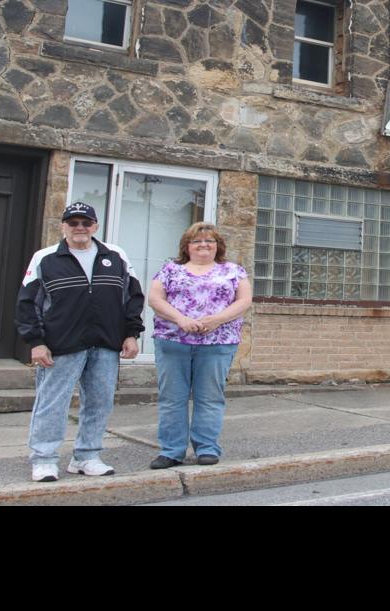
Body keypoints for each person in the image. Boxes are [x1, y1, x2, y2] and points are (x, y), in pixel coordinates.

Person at [17, 203, 143, 483]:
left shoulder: (115, 255)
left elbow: (132, 297)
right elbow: (27, 304)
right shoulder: (45, 258)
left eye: (85, 223)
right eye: (73, 223)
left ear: (95, 226)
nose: (79, 228)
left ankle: (87, 456)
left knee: (99, 402)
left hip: (106, 343)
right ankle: (44, 459)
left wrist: (131, 333)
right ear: (63, 226)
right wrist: (36, 342)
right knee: (52, 402)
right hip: (61, 344)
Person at [145, 222, 252, 468]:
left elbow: (244, 300)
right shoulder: (170, 270)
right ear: (187, 246)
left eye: (209, 241)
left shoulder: (234, 270)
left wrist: (217, 320)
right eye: (197, 241)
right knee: (172, 398)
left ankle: (207, 448)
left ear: (218, 246)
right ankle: (171, 451)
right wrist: (180, 319)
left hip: (217, 343)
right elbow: (154, 298)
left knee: (210, 397)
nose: (203, 245)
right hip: (173, 341)